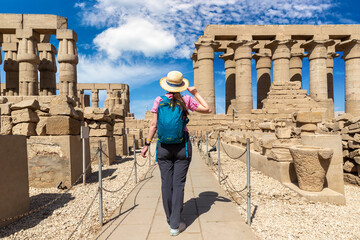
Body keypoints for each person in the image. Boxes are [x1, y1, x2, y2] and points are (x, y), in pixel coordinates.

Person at [141, 70, 211, 236]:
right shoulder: (185, 100)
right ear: (181, 86)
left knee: (166, 183)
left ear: (167, 85)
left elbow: (153, 125)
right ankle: (175, 224)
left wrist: (146, 144)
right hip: (182, 146)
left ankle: (169, 218)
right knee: (178, 184)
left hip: (163, 147)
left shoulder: (159, 100)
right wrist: (195, 93)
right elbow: (207, 109)